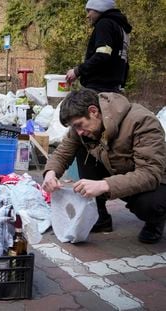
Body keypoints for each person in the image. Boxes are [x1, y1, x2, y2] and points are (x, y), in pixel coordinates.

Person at [42, 89, 166, 244]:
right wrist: (50, 173)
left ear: (93, 111)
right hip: (116, 169)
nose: (78, 132)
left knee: (150, 205)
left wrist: (105, 184)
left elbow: (149, 173)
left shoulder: (142, 121)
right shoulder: (81, 126)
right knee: (81, 150)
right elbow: (63, 152)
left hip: (155, 179)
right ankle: (100, 218)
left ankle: (155, 222)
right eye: (75, 127)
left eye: (79, 125)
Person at [66, 0, 132, 92]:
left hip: (99, 88)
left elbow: (102, 55)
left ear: (99, 9)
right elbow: (125, 61)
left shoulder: (104, 24)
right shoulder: (120, 28)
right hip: (114, 88)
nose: (87, 15)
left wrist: (77, 71)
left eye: (89, 11)